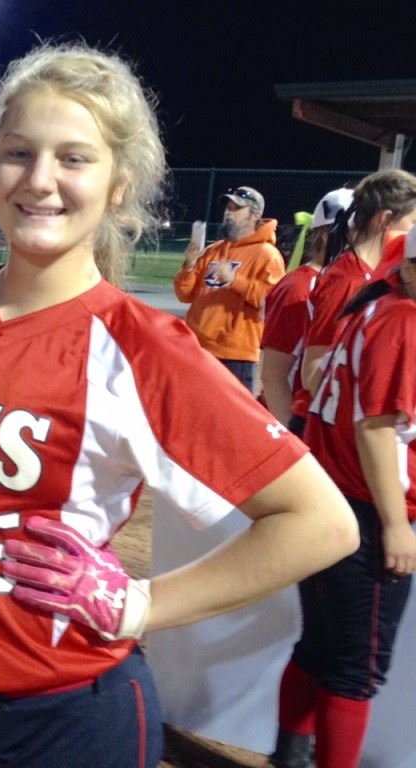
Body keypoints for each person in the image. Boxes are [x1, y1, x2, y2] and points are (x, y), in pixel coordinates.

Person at [0, 42, 358, 768]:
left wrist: (142, 606)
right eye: (18, 153)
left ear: (119, 184)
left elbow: (322, 523)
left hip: (61, 719)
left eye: (74, 158)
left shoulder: (140, 347)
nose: (40, 181)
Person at [270, 229, 416, 768]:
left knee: (322, 650)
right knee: (356, 670)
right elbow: (376, 428)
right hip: (367, 510)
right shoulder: (403, 319)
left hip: (334, 498)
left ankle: (288, 757)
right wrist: (396, 524)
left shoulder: (375, 308)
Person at [301, 169, 416, 395]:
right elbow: (312, 372)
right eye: (413, 222)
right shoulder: (348, 280)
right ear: (384, 220)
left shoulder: (371, 275)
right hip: (334, 425)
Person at [173, 184, 285, 393]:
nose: (228, 213)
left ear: (255, 215)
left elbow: (272, 303)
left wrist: (235, 280)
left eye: (236, 209)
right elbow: (184, 294)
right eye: (228, 208)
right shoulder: (212, 251)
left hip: (236, 355)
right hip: (198, 348)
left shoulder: (267, 255)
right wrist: (188, 266)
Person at [260, 188, 353, 432]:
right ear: (325, 234)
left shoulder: (344, 282)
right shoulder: (298, 287)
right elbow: (273, 376)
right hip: (293, 426)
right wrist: (296, 439)